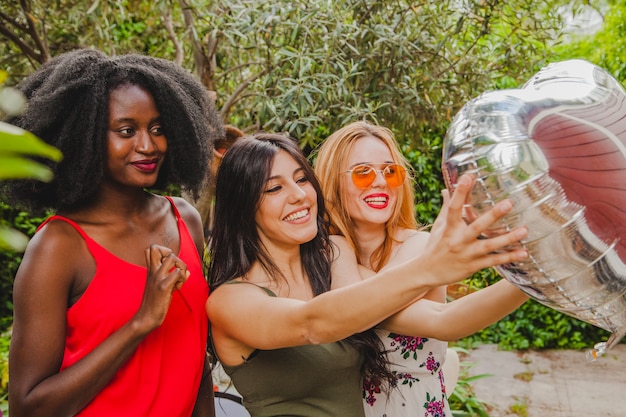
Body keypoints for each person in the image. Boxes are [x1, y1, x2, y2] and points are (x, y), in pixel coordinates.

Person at [205, 133, 529, 417]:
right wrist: (429, 267)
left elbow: (437, 318)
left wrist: (534, 274)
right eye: (274, 188)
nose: (299, 195)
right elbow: (312, 324)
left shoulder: (331, 262)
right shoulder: (230, 301)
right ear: (243, 207)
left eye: (303, 179)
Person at [5, 48, 224, 417]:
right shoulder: (59, 246)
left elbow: (194, 360)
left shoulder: (183, 218)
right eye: (126, 130)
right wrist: (141, 322)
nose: (148, 145)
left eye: (158, 129)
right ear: (85, 138)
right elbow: (28, 408)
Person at [314, 120, 530, 417]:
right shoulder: (330, 251)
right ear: (333, 182)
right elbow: (356, 306)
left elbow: (444, 320)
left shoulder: (420, 246)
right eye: (363, 172)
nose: (380, 181)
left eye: (391, 171)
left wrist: (533, 277)